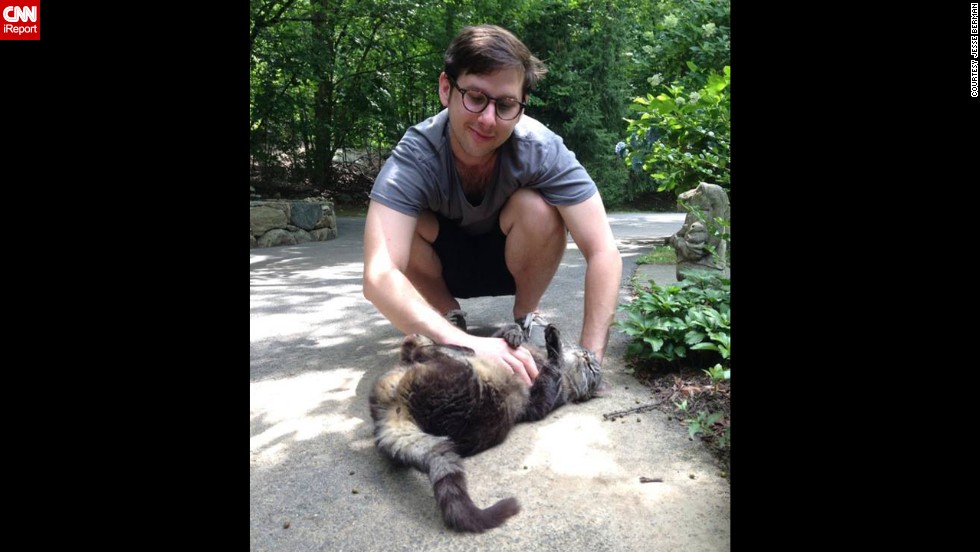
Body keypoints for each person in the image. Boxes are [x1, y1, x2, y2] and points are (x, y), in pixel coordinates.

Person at [363, 24, 622, 386]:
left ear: (520, 107)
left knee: (538, 207)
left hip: (514, 260)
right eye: (475, 97)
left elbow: (603, 250)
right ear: (445, 89)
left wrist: (591, 359)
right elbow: (379, 275)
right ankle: (446, 317)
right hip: (442, 267)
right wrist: (465, 343)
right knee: (406, 222)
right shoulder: (413, 157)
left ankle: (524, 318)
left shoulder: (542, 148)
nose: (488, 119)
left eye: (505, 104)